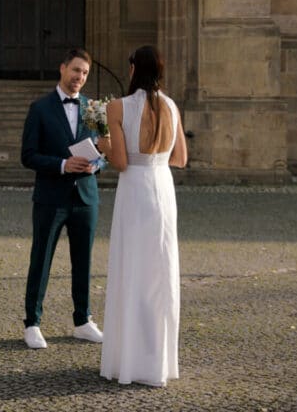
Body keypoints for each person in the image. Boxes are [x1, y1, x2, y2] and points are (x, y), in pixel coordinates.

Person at [96, 45, 188, 386]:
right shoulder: (171, 106)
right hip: (162, 188)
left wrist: (104, 144)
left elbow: (120, 162)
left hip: (134, 189)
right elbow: (180, 158)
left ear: (133, 68)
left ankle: (128, 362)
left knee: (131, 269)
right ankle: (157, 363)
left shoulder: (117, 107)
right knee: (160, 272)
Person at [20, 48, 105, 349]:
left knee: (84, 261)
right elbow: (27, 156)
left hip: (86, 196)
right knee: (41, 259)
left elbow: (105, 153)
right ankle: (32, 323)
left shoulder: (95, 109)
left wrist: (97, 164)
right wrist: (61, 164)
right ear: (62, 68)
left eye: (84, 73)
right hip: (51, 197)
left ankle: (83, 320)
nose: (79, 77)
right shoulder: (39, 108)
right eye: (75, 70)